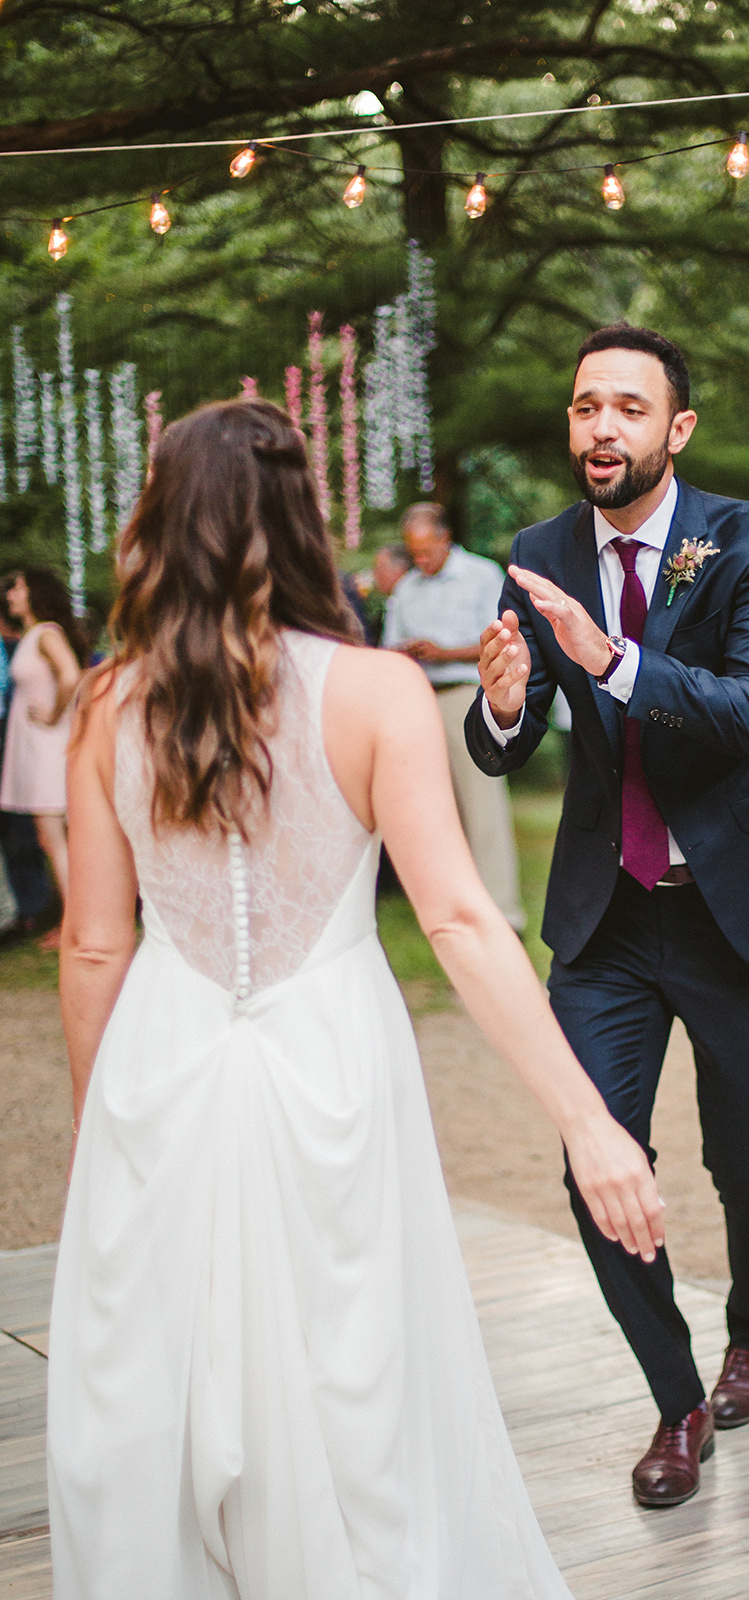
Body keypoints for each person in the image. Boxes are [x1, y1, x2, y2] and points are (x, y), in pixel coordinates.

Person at [49, 398, 664, 1600]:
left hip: (156, 1068)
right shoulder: (378, 689)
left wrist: (99, 1135)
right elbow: (456, 920)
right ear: (301, 526)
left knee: (159, 1395)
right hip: (330, 1057)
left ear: (159, 525)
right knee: (352, 1378)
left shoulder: (109, 706)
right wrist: (588, 1120)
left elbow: (90, 949)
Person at [465, 324, 749, 1509]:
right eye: (585, 407)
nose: (600, 428)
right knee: (597, 1164)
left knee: (748, 1158)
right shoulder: (535, 550)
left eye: (628, 408)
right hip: (608, 918)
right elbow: (508, 740)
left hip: (734, 906)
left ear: (674, 430)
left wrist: (611, 658)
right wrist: (501, 707)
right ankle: (676, 1400)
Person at [384, 503, 525, 931]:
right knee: (436, 809)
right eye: (414, 552)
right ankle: (453, 911)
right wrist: (407, 652)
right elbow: (389, 644)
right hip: (421, 699)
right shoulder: (406, 588)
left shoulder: (481, 575)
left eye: (426, 550)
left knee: (483, 805)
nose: (420, 560)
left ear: (445, 538)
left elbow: (504, 639)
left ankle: (503, 913)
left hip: (469, 694)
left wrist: (443, 652)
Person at [0, 568, 87, 949]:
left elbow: (71, 674)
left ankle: (75, 926)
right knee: (52, 836)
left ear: (35, 592)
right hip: (37, 743)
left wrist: (54, 716)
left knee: (54, 837)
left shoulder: (46, 633)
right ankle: (74, 919)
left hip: (47, 744)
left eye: (17, 587)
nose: (10, 594)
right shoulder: (36, 634)